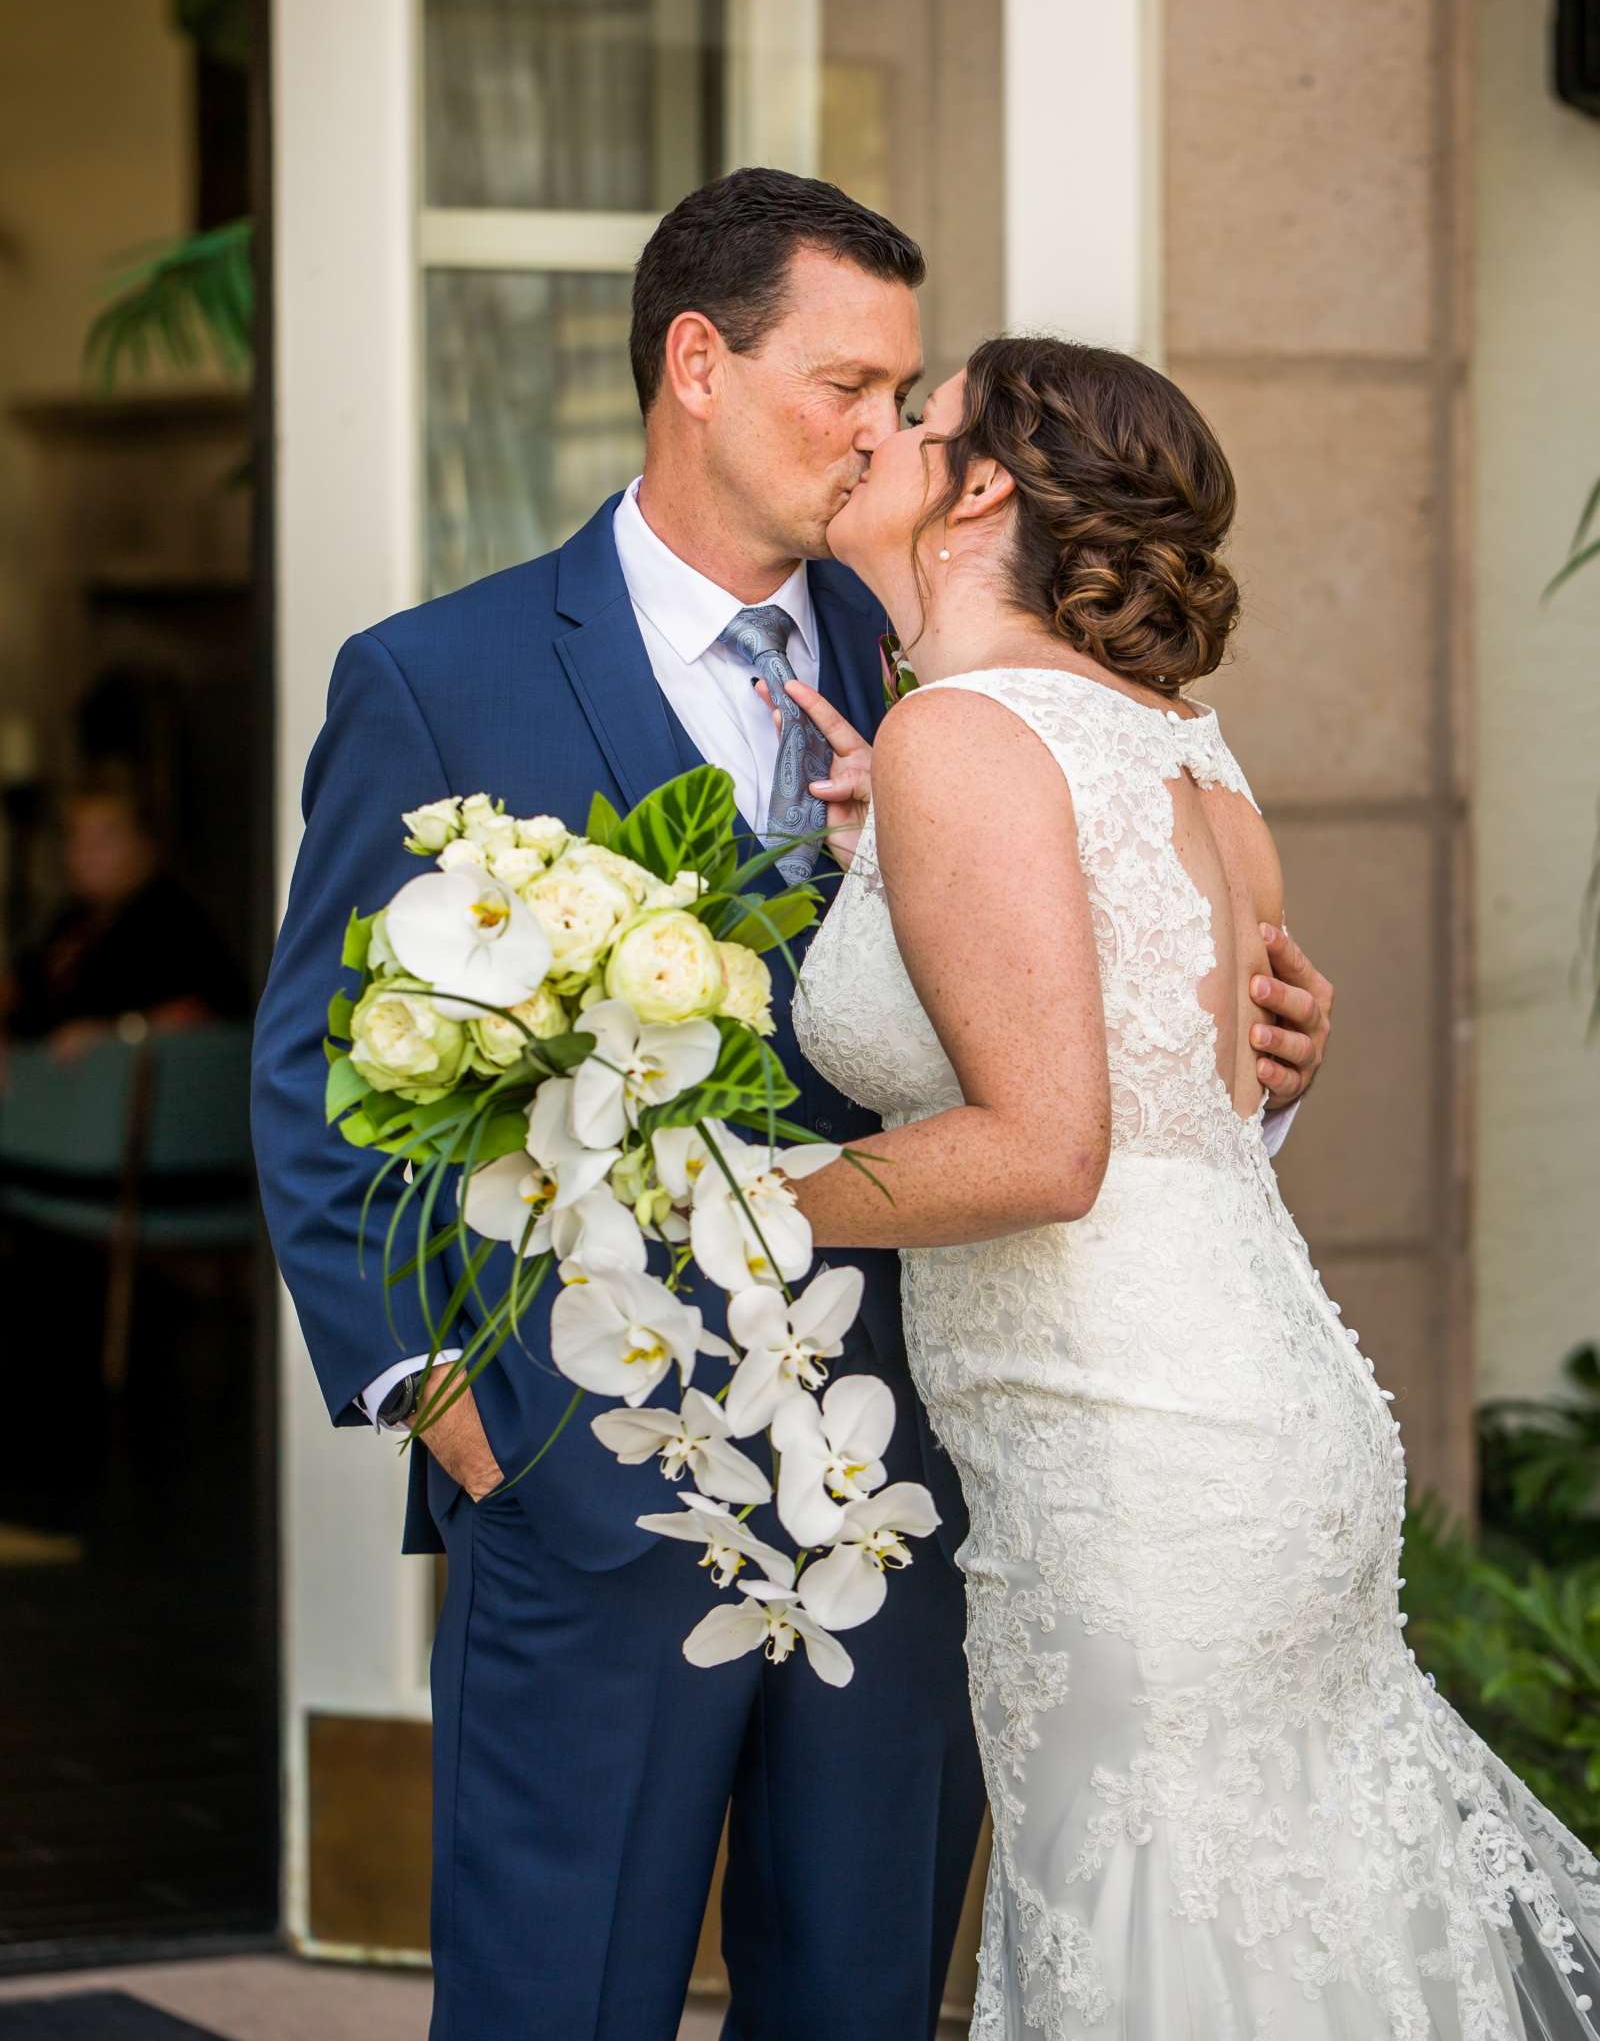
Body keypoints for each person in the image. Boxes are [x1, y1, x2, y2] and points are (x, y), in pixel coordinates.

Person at [250, 172, 1332, 2041]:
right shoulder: (440, 679)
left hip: (917, 1482)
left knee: (857, 2001)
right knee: (553, 2005)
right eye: (847, 385)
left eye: (907, 394)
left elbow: (1088, 1036)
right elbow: (321, 1074)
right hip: (585, 1476)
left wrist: (1253, 1050)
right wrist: (448, 1405)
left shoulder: (944, 661)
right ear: (698, 363)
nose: (884, 433)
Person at [786, 335, 1598, 2039]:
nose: (878, 434)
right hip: (1256, 1417)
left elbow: (1049, 1148)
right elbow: (1180, 1096)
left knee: (1156, 1944)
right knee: (1286, 1943)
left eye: (916, 419)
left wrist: (728, 1202)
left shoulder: (963, 733)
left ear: (985, 484)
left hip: (1133, 1467)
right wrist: (890, 874)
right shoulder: (1186, 756)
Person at [1, 784, 248, 1065]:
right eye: (76, 838)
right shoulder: (70, 924)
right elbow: (21, 988)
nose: (87, 853)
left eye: (105, 839)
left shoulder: (172, 920)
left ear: (144, 843)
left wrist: (114, 1034)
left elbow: (204, 1015)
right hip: (64, 1096)